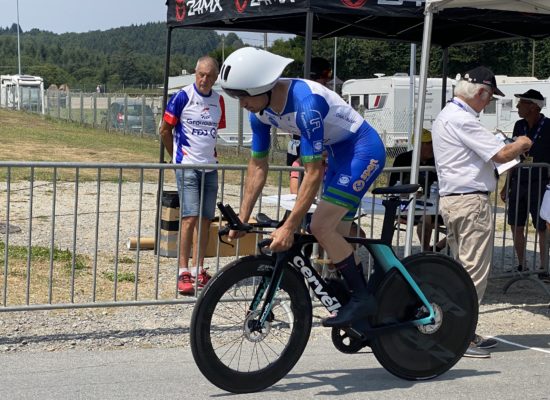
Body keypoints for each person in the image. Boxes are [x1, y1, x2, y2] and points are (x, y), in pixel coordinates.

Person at [220, 47, 386, 327]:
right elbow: (257, 166)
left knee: (320, 226)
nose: (241, 103)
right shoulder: (259, 113)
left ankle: (362, 298)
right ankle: (361, 307)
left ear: (262, 86)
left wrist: (288, 227)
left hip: (362, 151)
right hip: (337, 155)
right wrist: (243, 216)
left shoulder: (306, 105)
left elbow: (311, 173)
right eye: (235, 96)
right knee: (333, 235)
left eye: (243, 95)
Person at [432, 66, 532, 358]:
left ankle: (459, 329)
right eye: (489, 98)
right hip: (470, 201)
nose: (489, 103)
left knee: (462, 268)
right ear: (480, 93)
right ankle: (460, 336)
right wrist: (522, 143)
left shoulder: (447, 115)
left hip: (454, 199)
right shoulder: (463, 120)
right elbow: (501, 154)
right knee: (473, 270)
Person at [159, 56, 226, 295]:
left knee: (206, 219)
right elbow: (164, 130)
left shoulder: (219, 101)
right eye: (201, 74)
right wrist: (176, 158)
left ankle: (198, 269)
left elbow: (214, 134)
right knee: (189, 218)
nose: (204, 79)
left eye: (209, 75)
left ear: (216, 77)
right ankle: (182, 271)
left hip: (210, 167)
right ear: (195, 74)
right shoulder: (182, 96)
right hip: (187, 166)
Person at [499, 89, 550, 273]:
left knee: (542, 224)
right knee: (515, 223)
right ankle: (522, 264)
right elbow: (515, 156)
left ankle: (544, 266)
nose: (517, 106)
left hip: (541, 182)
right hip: (519, 181)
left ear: (533, 107)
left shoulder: (548, 126)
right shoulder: (519, 126)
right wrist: (506, 184)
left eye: (522, 103)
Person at [389, 128, 446, 251]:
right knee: (425, 218)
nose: (431, 147)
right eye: (427, 143)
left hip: (436, 205)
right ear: (418, 145)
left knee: (459, 219)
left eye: (432, 143)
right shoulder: (403, 159)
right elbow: (393, 185)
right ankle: (425, 252)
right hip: (409, 206)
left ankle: (435, 249)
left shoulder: (438, 160)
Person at [288, 57, 333, 195]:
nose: (327, 81)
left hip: (320, 155)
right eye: (324, 76)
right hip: (302, 154)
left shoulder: (326, 95)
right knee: (300, 195)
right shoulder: (300, 95)